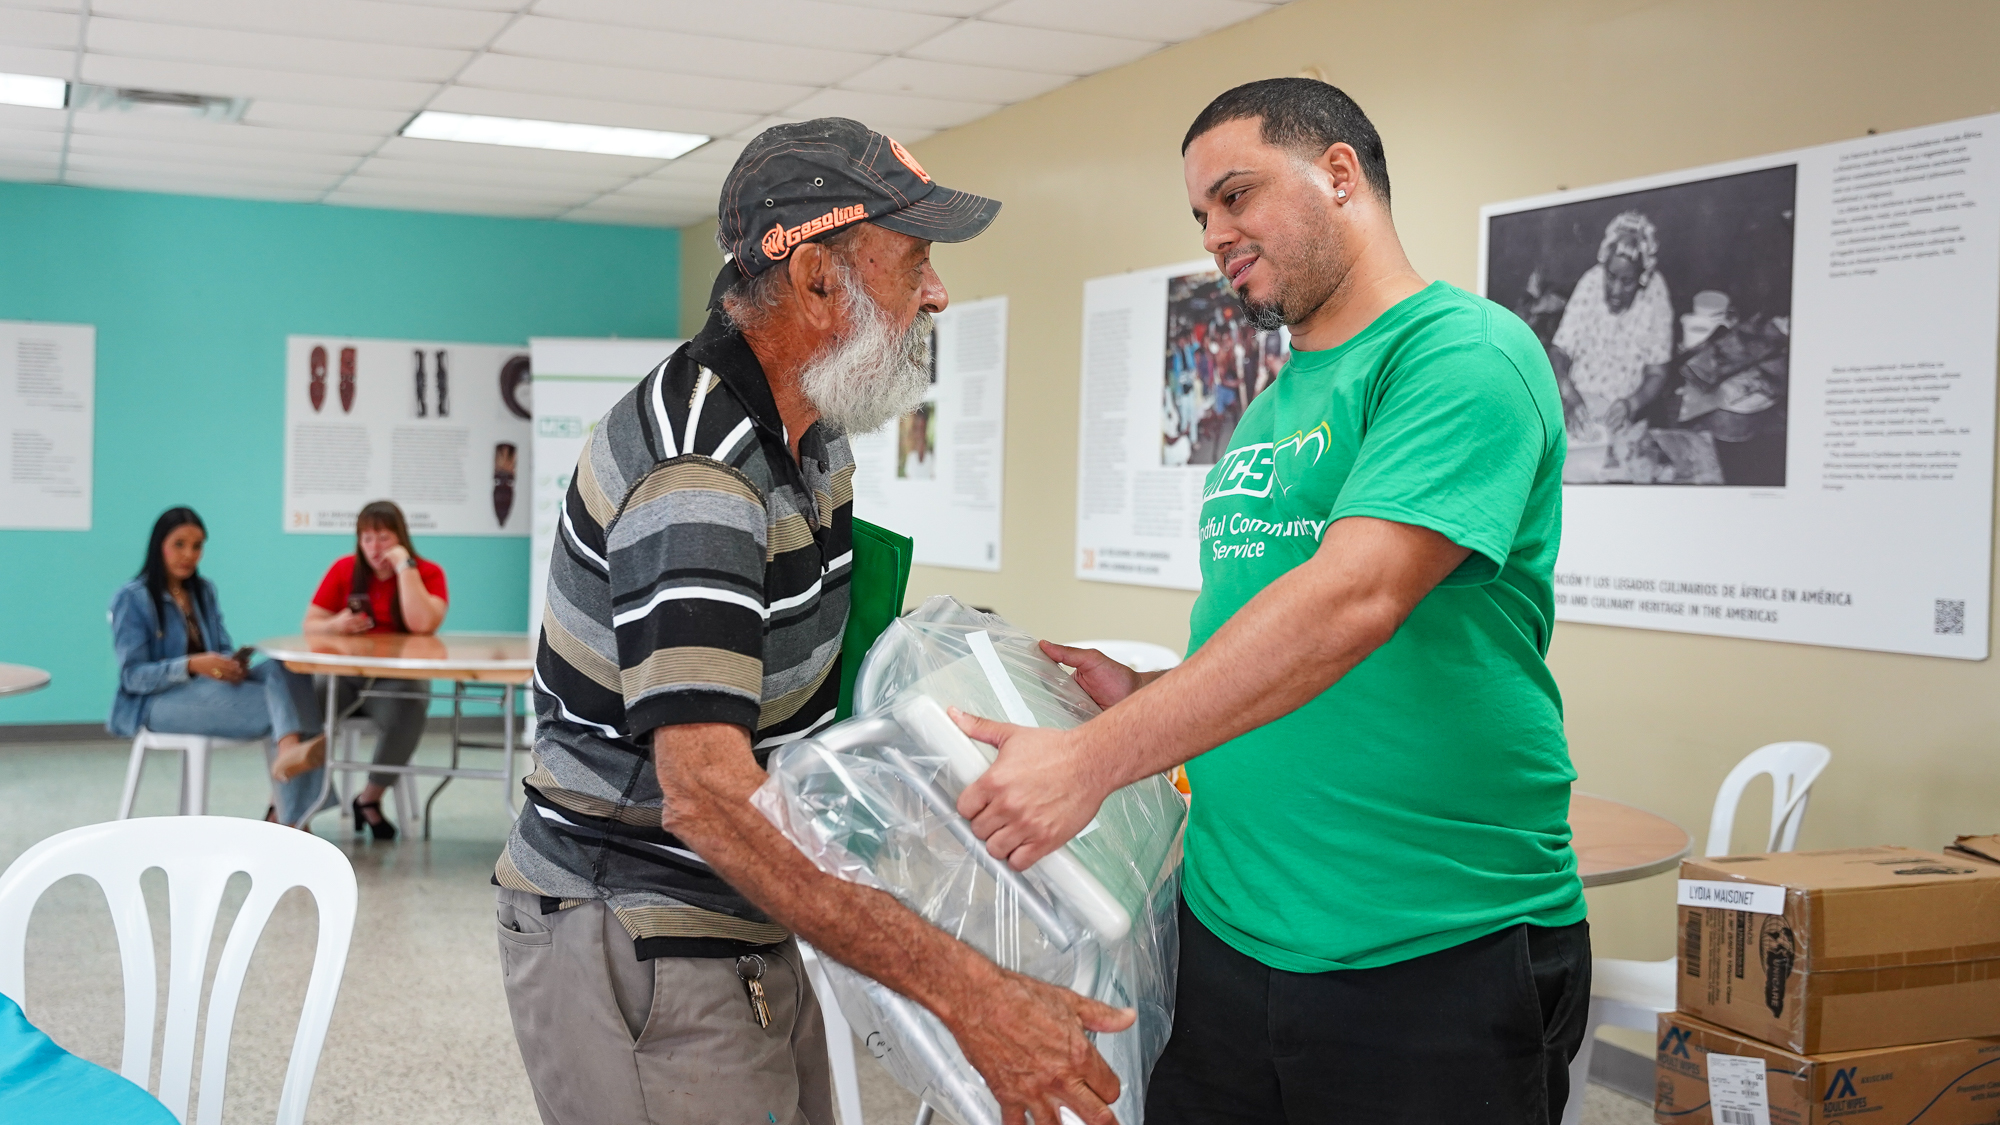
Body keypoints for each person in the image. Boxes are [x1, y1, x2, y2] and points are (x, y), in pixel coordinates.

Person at [947, 79, 1591, 1124]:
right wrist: (1148, 691)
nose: (1215, 234)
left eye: (1235, 196)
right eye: (1200, 215)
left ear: (1339, 173)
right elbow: (1269, 621)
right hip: (1233, 936)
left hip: (1426, 942)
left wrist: (1091, 762)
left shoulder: (1459, 354)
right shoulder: (1276, 400)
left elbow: (1355, 599)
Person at [494, 118, 1131, 1125]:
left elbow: (797, 663)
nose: (936, 293)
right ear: (817, 280)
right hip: (640, 921)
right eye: (913, 260)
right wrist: (973, 999)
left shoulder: (808, 436)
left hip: (750, 903)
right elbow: (704, 796)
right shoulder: (696, 476)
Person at [109, 507, 328, 825]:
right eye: (179, 544)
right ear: (160, 546)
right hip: (156, 703)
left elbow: (221, 646)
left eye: (197, 546)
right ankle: (293, 818)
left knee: (289, 670)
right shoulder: (132, 598)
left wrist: (230, 663)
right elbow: (132, 677)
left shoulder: (203, 591)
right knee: (288, 709)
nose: (189, 555)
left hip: (208, 688)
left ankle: (288, 771)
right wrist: (192, 665)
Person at [300, 499, 448, 839]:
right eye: (367, 538)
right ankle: (295, 805)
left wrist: (404, 568)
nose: (374, 548)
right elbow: (311, 624)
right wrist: (336, 623)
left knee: (411, 706)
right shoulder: (344, 569)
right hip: (347, 674)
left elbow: (422, 624)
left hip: (396, 679)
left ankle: (369, 798)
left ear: (400, 538)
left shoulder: (427, 573)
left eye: (383, 538)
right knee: (308, 701)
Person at [1550, 210, 1674, 434]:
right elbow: (1559, 351)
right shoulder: (1591, 282)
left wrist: (1631, 404)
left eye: (1627, 282)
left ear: (1642, 278)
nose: (1615, 290)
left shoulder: (1655, 293)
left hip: (1621, 413)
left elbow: (1657, 372)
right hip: (1576, 401)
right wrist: (1569, 395)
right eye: (1611, 276)